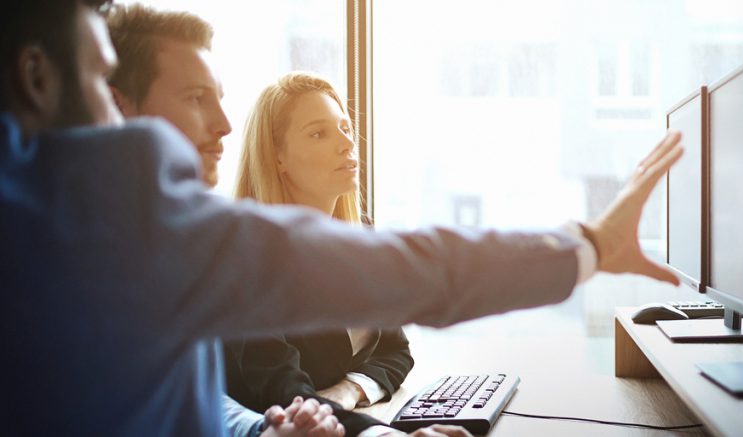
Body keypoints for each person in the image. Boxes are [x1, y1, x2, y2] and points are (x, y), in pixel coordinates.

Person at [0, 0, 683, 436]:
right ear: (36, 76)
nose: (223, 125)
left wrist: (263, 432)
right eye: (99, 80)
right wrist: (588, 246)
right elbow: (406, 271)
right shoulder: (115, 213)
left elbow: (179, 403)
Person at [101, 5, 353, 436]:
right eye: (197, 99)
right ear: (120, 106)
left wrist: (264, 432)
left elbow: (196, 402)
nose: (226, 125)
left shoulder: (177, 246)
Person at [225, 72, 415, 420]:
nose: (346, 143)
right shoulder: (243, 261)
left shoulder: (361, 237)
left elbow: (397, 351)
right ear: (277, 157)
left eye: (344, 127)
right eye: (318, 133)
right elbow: (288, 396)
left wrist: (350, 389)